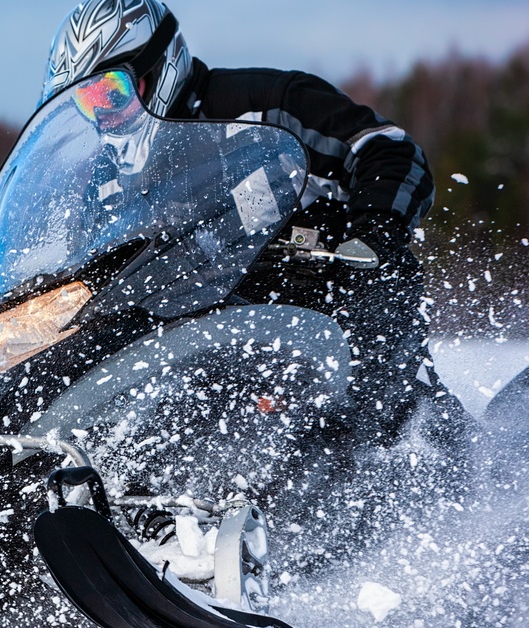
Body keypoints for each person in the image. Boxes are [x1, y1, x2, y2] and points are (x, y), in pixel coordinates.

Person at [40, 0, 471, 449]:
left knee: (373, 404)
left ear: (158, 66)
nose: (104, 114)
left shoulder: (264, 105)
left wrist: (373, 230)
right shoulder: (106, 182)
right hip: (205, 343)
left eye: (112, 91)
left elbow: (386, 147)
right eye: (87, 101)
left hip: (326, 306)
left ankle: (438, 458)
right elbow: (95, 268)